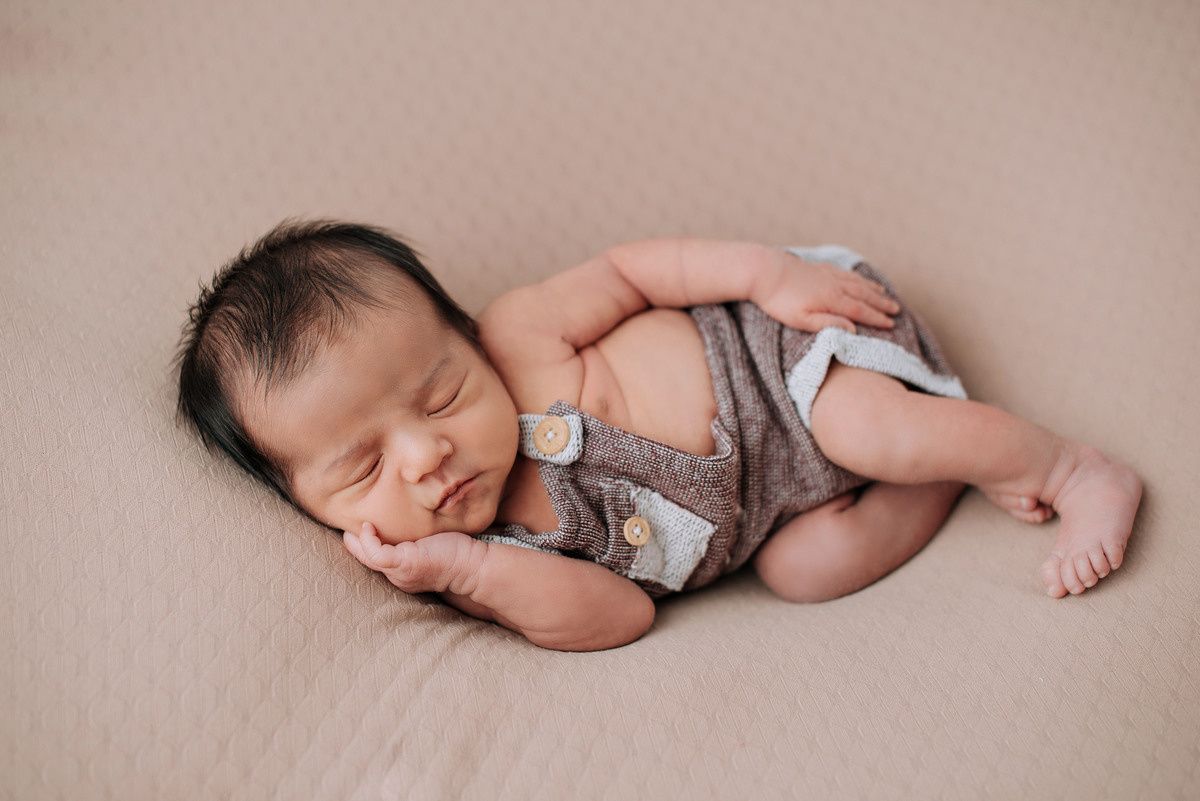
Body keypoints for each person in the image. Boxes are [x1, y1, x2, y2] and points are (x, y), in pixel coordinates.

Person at [176, 220, 1142, 651]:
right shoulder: (487, 559)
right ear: (306, 504)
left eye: (441, 395)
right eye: (363, 466)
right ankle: (954, 464)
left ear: (467, 334)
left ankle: (1071, 467)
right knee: (808, 571)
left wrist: (766, 275)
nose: (427, 455)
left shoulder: (521, 334)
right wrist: (468, 570)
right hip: (776, 511)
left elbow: (633, 272)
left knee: (866, 426)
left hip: (786, 358)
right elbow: (622, 615)